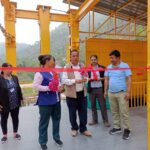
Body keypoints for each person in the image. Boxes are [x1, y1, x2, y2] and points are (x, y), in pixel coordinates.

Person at [33, 54, 63, 150]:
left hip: (56, 101)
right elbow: (36, 86)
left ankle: (56, 137)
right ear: (47, 62)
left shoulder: (54, 72)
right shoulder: (39, 73)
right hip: (45, 102)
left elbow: (58, 83)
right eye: (52, 60)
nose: (54, 62)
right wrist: (48, 88)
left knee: (56, 120)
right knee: (44, 123)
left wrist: (60, 87)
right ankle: (43, 141)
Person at [62, 49, 92, 137]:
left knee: (83, 112)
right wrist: (75, 81)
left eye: (77, 55)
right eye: (73, 56)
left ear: (79, 57)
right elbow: (64, 80)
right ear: (70, 57)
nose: (75, 57)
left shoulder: (82, 65)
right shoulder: (66, 67)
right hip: (71, 95)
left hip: (82, 93)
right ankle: (74, 128)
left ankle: (83, 129)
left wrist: (85, 79)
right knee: (72, 113)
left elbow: (87, 77)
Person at [104, 50, 132, 140]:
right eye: (110, 58)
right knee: (114, 112)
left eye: (112, 58)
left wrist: (128, 92)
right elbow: (106, 79)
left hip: (122, 93)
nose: (111, 59)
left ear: (118, 57)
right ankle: (117, 127)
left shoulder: (125, 66)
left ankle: (127, 130)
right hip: (111, 93)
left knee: (124, 112)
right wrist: (105, 91)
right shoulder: (109, 67)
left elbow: (129, 79)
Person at [0, 63, 23, 143]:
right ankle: (5, 135)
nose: (11, 70)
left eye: (11, 68)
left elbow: (18, 89)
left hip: (15, 103)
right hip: (4, 104)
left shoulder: (14, 77)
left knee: (15, 118)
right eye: (8, 68)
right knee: (4, 119)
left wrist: (21, 99)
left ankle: (15, 133)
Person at [88, 55, 110, 127]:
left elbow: (106, 78)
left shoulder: (102, 68)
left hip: (100, 89)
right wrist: (88, 79)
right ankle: (95, 120)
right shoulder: (88, 68)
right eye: (92, 59)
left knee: (102, 105)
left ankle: (105, 121)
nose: (93, 61)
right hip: (91, 89)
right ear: (90, 60)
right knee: (93, 106)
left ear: (97, 60)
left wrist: (100, 79)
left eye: (95, 59)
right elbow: (85, 77)